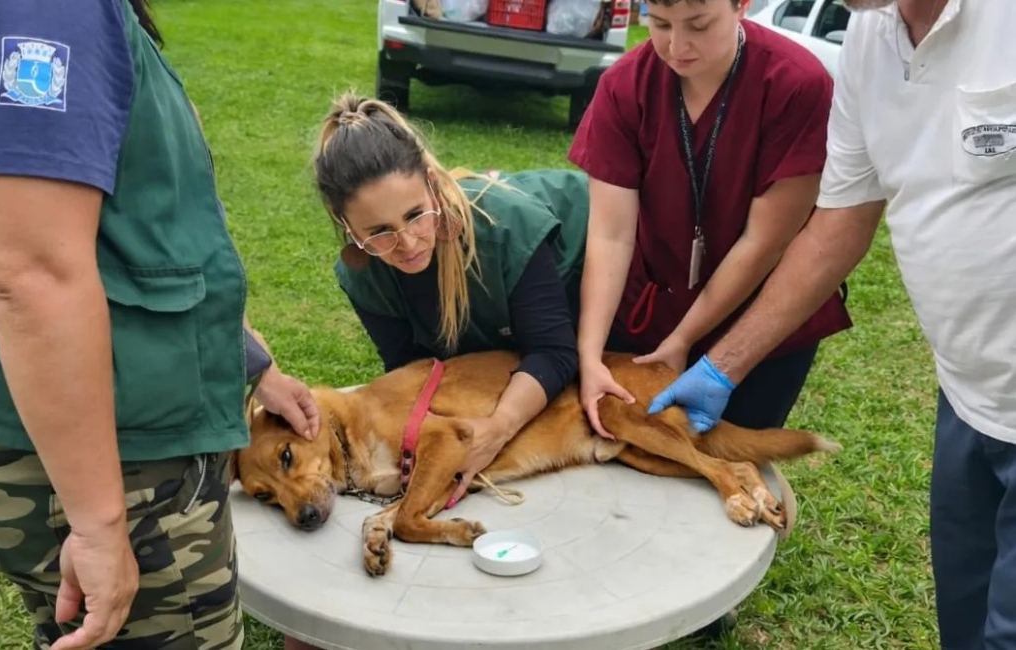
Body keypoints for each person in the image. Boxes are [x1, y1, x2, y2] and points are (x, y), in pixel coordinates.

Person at [0, 1, 318, 649]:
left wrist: (253, 363)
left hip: (43, 436)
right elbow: (32, 273)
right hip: (112, 456)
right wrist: (97, 523)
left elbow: (123, 237)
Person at [645, 0, 1016, 647]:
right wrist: (718, 367)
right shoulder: (870, 39)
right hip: (967, 397)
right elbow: (837, 224)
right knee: (965, 620)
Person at [567, 0, 853, 441]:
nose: (676, 46)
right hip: (652, 305)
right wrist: (590, 356)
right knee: (634, 453)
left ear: (742, 5)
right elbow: (611, 234)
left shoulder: (797, 84)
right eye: (659, 24)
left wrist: (684, 340)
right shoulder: (624, 85)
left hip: (757, 316)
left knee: (732, 455)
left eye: (699, 25)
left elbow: (764, 241)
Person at [313, 92, 589, 503]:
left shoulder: (505, 227)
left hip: (611, 263)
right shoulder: (363, 277)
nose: (406, 243)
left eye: (414, 215)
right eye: (378, 232)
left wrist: (497, 429)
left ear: (431, 183)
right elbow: (413, 371)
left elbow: (555, 352)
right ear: (347, 226)